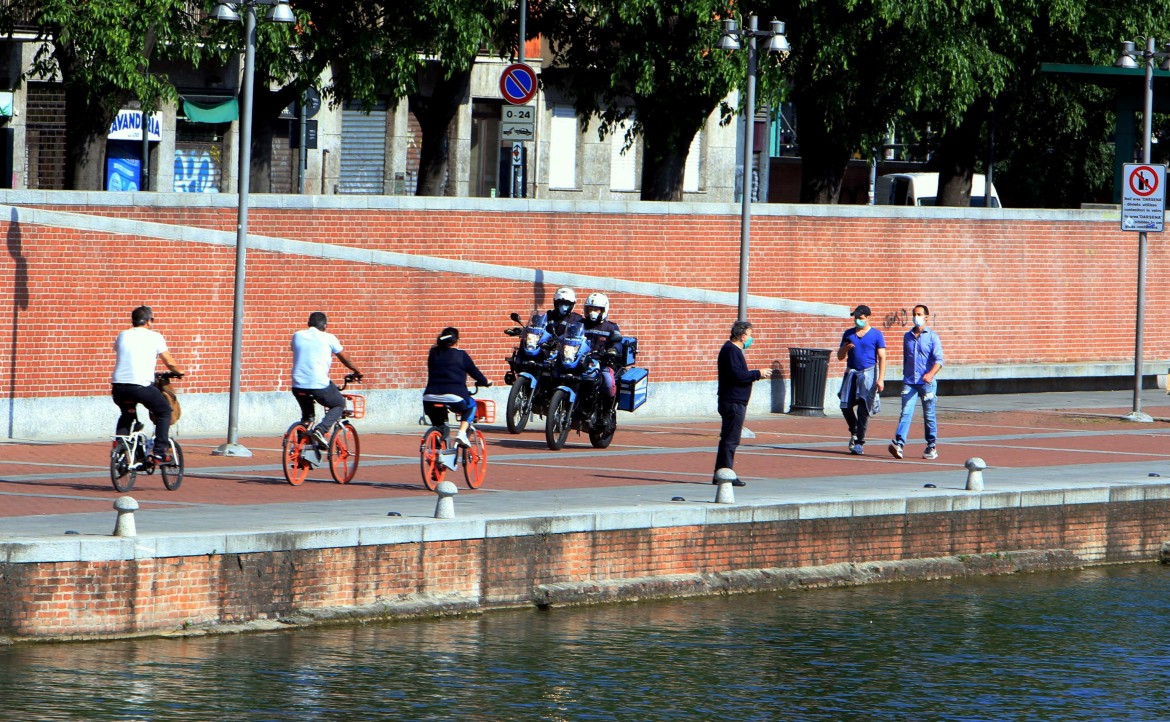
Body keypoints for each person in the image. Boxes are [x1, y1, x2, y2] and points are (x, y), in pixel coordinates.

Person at [111, 306, 186, 463]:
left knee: (127, 414)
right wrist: (178, 372)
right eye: (152, 319)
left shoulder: (123, 335)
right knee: (164, 411)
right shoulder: (155, 337)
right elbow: (169, 362)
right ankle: (159, 450)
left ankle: (120, 450)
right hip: (140, 386)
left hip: (118, 387)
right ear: (148, 321)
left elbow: (120, 352)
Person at [291, 312, 363, 447]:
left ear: (309, 324)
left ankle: (302, 450)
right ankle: (321, 430)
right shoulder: (329, 338)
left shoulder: (297, 335)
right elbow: (345, 358)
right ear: (325, 325)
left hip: (297, 385)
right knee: (338, 404)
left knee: (307, 417)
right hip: (318, 385)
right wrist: (357, 371)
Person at [714, 320, 773, 486]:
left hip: (734, 400)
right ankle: (726, 473)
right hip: (733, 401)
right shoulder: (730, 350)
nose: (751, 338)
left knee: (728, 438)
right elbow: (737, 375)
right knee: (731, 439)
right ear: (742, 336)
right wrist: (757, 373)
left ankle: (720, 472)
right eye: (750, 335)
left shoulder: (733, 350)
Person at [889, 304, 945, 460]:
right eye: (914, 314)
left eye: (919, 314)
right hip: (910, 381)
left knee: (929, 415)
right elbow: (906, 359)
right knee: (906, 412)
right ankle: (899, 444)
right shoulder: (907, 336)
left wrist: (930, 374)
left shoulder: (932, 337)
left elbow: (939, 360)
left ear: (926, 317)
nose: (916, 317)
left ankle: (931, 445)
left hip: (927, 383)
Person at [423, 327, 492, 447]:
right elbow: (474, 372)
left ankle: (438, 451)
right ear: (456, 341)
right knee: (471, 406)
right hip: (454, 396)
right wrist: (486, 381)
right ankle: (461, 433)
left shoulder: (433, 353)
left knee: (439, 425)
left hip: (429, 397)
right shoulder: (461, 355)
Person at [837, 304, 886, 455]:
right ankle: (855, 430)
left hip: (868, 373)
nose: (857, 320)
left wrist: (881, 379)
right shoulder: (848, 334)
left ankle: (859, 441)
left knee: (864, 408)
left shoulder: (876, 335)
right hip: (851, 373)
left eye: (861, 318)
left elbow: (882, 357)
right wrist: (845, 349)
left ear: (867, 318)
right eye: (856, 318)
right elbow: (840, 356)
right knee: (845, 405)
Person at [581, 292, 621, 399]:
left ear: (604, 310)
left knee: (608, 383)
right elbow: (569, 335)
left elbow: (617, 342)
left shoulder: (611, 327)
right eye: (590, 309)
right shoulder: (581, 324)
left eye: (596, 309)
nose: (592, 312)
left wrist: (612, 350)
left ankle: (606, 412)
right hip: (582, 361)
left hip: (602, 362)